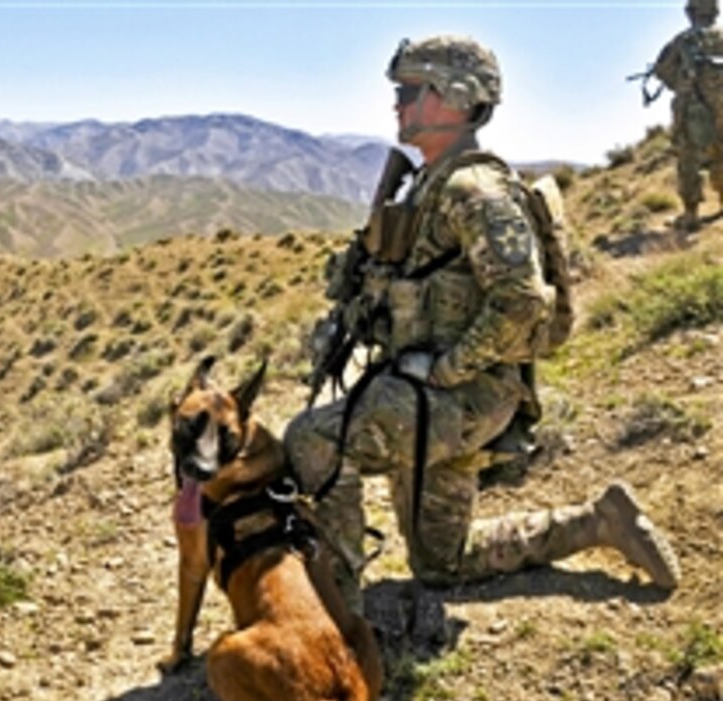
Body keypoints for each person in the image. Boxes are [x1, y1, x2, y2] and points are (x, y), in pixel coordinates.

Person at [284, 36, 681, 615]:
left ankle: (336, 615)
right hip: (427, 393)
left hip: (462, 397)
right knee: (443, 564)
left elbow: (521, 301)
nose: (396, 104)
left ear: (454, 98)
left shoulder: (477, 191)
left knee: (313, 439)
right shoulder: (429, 184)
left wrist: (445, 369)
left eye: (409, 91)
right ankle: (599, 520)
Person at [654, 0, 723, 230]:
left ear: (690, 13)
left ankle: (691, 215)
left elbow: (662, 69)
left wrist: (683, 85)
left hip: (692, 107)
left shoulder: (682, 41)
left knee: (689, 157)